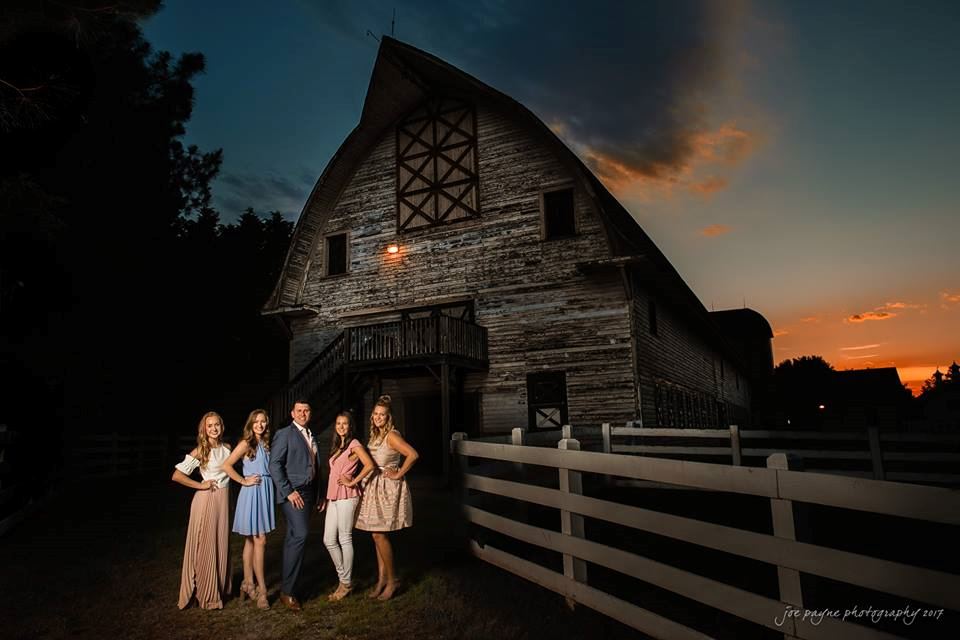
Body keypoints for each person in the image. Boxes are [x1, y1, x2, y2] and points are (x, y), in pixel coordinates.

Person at [355, 394, 419, 601]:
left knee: (379, 535)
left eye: (382, 414)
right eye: (375, 414)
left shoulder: (392, 435)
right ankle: (382, 580)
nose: (378, 417)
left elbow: (413, 454)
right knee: (376, 535)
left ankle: (392, 580)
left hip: (386, 489)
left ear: (389, 416)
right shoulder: (376, 435)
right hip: (373, 487)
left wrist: (399, 473)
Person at [171, 411, 232, 609]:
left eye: (217, 425)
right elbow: (177, 476)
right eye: (210, 426)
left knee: (219, 543)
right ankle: (205, 593)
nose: (214, 428)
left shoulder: (228, 448)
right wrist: (201, 485)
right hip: (206, 500)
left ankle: (220, 588)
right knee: (204, 545)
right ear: (204, 430)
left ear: (222, 427)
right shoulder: (201, 451)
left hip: (223, 501)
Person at [268, 400, 321, 612]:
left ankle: (289, 587)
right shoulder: (284, 433)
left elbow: (314, 465)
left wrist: (319, 494)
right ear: (292, 413)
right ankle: (288, 592)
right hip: (293, 492)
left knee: (294, 537)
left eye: (306, 410)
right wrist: (288, 491)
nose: (302, 413)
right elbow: (274, 464)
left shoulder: (311, 434)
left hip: (309, 493)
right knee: (301, 534)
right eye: (299, 410)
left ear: (310, 413)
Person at [221, 409, 275, 609]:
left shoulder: (267, 444)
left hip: (265, 492)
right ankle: (262, 591)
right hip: (252, 492)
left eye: (263, 422)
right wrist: (243, 481)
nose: (260, 425)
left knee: (251, 541)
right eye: (256, 422)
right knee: (260, 539)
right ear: (251, 424)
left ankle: (247, 583)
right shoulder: (246, 443)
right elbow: (226, 466)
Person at [320, 411, 375, 601]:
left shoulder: (354, 444)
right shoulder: (338, 445)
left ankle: (345, 583)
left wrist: (353, 482)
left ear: (350, 426)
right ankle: (344, 579)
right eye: (338, 423)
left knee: (344, 537)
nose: (341, 426)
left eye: (345, 424)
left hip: (347, 495)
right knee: (328, 539)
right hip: (334, 496)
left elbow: (369, 465)